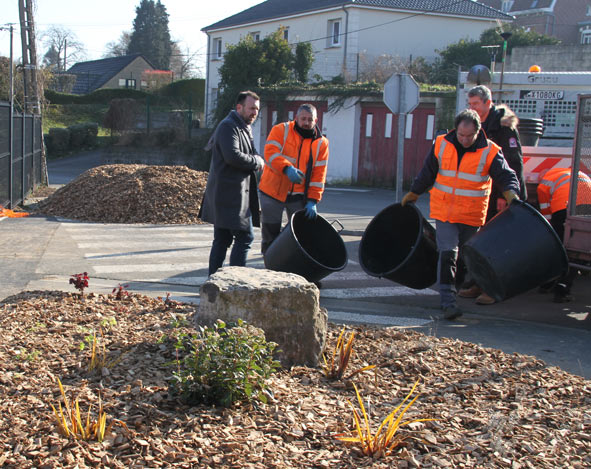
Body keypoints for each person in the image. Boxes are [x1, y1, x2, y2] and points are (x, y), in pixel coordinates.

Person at [401, 109, 520, 320]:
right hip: (445, 211)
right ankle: (448, 302)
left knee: (466, 256)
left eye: (469, 136)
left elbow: (505, 174)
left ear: (478, 132)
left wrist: (511, 192)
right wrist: (414, 192)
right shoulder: (441, 144)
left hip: (471, 214)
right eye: (461, 135)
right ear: (456, 130)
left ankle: (460, 286)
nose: (464, 140)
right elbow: (428, 172)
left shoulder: (490, 151)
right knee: (448, 253)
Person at [460, 85, 527, 304]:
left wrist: (506, 196)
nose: (472, 108)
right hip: (485, 195)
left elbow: (513, 165)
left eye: (476, 104)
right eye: (470, 104)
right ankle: (480, 283)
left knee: (499, 245)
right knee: (483, 243)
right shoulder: (479, 126)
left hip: (504, 197)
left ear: (488, 103)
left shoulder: (503, 128)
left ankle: (494, 289)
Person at [199, 91, 265, 275]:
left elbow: (251, 152)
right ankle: (234, 284)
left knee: (222, 239)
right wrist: (257, 162)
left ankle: (214, 284)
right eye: (251, 108)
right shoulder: (229, 126)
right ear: (239, 107)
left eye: (257, 109)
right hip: (229, 196)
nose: (254, 112)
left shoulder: (242, 126)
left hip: (228, 195)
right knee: (245, 237)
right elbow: (232, 156)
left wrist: (257, 158)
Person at [258, 103, 330, 254]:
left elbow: (319, 174)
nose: (306, 122)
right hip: (272, 192)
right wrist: (287, 168)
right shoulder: (281, 130)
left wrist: (313, 200)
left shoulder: (321, 143)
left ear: (316, 121)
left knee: (299, 234)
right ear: (296, 118)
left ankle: (293, 267)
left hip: (298, 195)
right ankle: (269, 264)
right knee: (270, 233)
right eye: (303, 118)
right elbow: (270, 153)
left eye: (310, 119)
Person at [537, 167, 591, 302]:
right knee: (577, 250)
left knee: (558, 248)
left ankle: (548, 283)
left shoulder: (544, 182)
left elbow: (546, 214)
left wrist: (551, 228)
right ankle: (563, 286)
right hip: (587, 210)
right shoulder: (579, 174)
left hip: (563, 209)